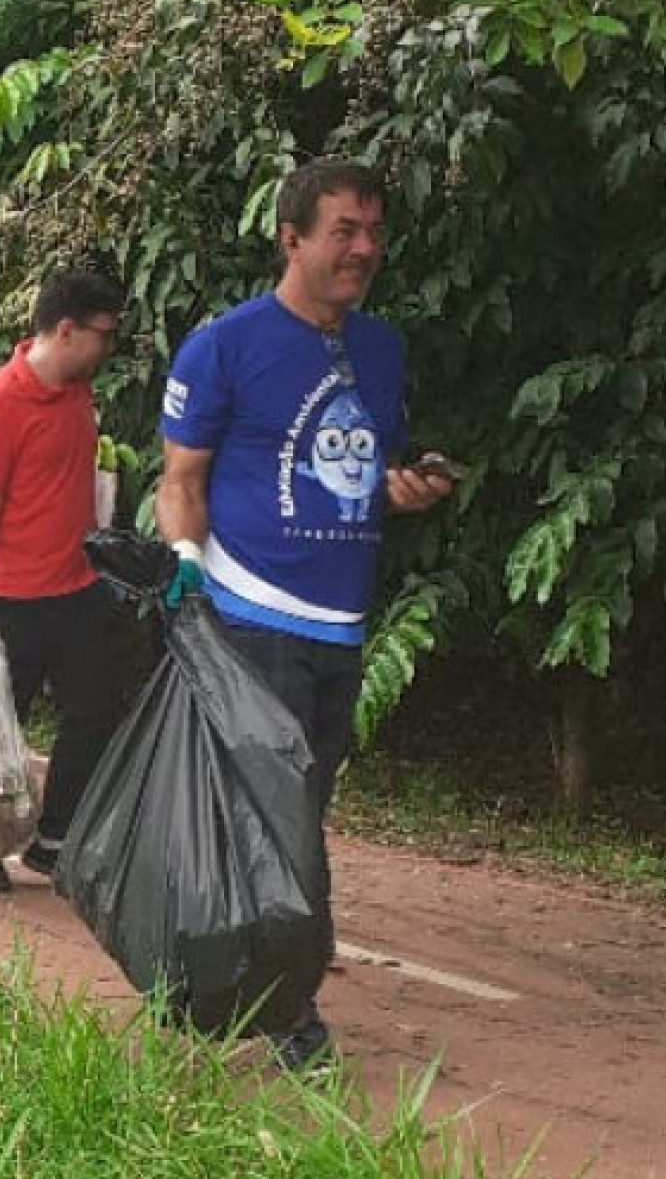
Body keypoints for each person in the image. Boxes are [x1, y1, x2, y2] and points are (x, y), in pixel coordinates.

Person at [155, 157, 453, 1072]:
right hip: (252, 616)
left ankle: (196, 970)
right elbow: (182, 481)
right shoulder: (224, 345)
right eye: (343, 232)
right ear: (291, 239)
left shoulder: (380, 348)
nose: (363, 248)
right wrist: (186, 580)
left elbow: (367, 471)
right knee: (279, 821)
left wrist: (413, 488)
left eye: (372, 231)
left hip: (340, 628)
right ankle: (290, 1011)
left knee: (295, 809)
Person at [0, 271, 128, 892]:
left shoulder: (80, 394)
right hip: (11, 593)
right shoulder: (0, 402)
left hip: (76, 586)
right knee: (2, 722)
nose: (108, 347)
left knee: (96, 709)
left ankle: (54, 838)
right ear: (65, 330)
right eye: (102, 333)